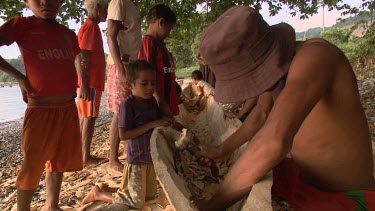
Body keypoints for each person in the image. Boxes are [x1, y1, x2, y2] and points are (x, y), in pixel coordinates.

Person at [194, 6, 375, 210]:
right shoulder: (276, 72)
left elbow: (275, 140)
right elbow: (261, 115)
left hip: (347, 198)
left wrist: (213, 204)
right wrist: (221, 150)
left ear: (268, 57)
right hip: (306, 183)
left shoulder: (316, 56)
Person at [0, 0, 83, 210]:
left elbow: (75, 59)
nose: (46, 2)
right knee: (32, 163)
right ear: (27, 1)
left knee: (59, 160)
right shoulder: (21, 25)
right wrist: (19, 77)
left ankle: (52, 205)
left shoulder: (68, 34)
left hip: (67, 107)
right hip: (40, 110)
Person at [82, 60, 172, 209]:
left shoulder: (150, 102)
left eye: (153, 83)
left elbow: (158, 122)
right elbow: (123, 135)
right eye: (144, 83)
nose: (150, 88)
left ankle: (108, 189)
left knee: (147, 196)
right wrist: (151, 124)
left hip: (150, 157)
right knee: (135, 202)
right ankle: (98, 194)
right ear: (130, 85)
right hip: (136, 159)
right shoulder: (127, 105)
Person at [105, 0, 142, 173]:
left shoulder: (132, 5)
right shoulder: (118, 2)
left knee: (130, 108)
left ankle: (128, 151)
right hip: (120, 65)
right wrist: (120, 67)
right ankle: (112, 160)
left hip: (132, 65)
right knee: (120, 111)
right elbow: (111, 35)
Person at [76, 0, 108, 166]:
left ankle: (82, 154)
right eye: (106, 9)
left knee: (86, 117)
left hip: (90, 82)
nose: (107, 13)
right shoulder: (91, 27)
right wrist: (85, 84)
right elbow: (82, 55)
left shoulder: (89, 26)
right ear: (97, 8)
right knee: (89, 118)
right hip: (91, 82)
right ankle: (85, 157)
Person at [138, 4, 179, 117]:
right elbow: (147, 76)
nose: (169, 34)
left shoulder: (160, 45)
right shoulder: (149, 44)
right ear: (161, 23)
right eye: (169, 29)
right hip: (157, 107)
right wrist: (160, 101)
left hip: (166, 104)